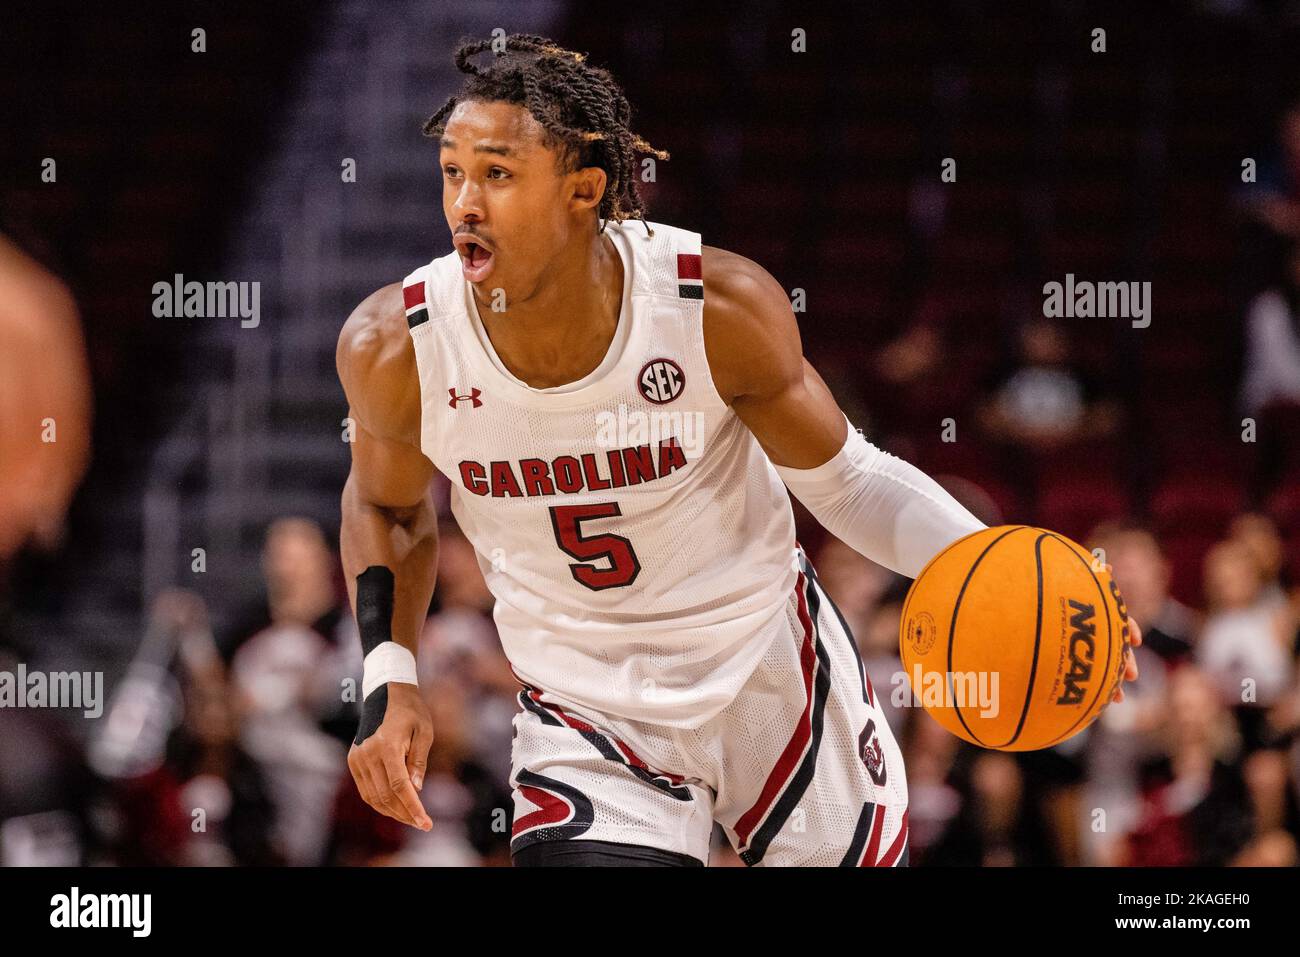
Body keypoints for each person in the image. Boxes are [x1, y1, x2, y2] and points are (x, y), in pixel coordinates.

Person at [334, 34, 1141, 867]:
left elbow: (852, 483)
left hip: (769, 671)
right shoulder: (398, 347)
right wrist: (391, 673)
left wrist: (1015, 571)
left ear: (584, 190)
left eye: (497, 174)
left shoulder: (713, 307)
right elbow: (385, 505)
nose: (465, 202)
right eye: (452, 173)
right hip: (588, 707)